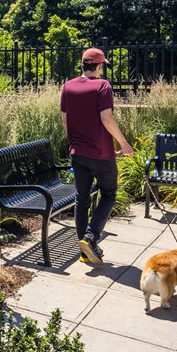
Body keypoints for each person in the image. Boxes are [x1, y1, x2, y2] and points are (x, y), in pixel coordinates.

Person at [60, 47, 134, 264]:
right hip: (101, 154)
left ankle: (85, 252)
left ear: (83, 65)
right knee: (109, 194)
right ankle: (91, 238)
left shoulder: (68, 86)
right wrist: (124, 143)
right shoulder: (103, 86)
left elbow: (66, 121)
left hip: (78, 153)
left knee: (81, 199)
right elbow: (107, 119)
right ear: (99, 66)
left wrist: (73, 144)